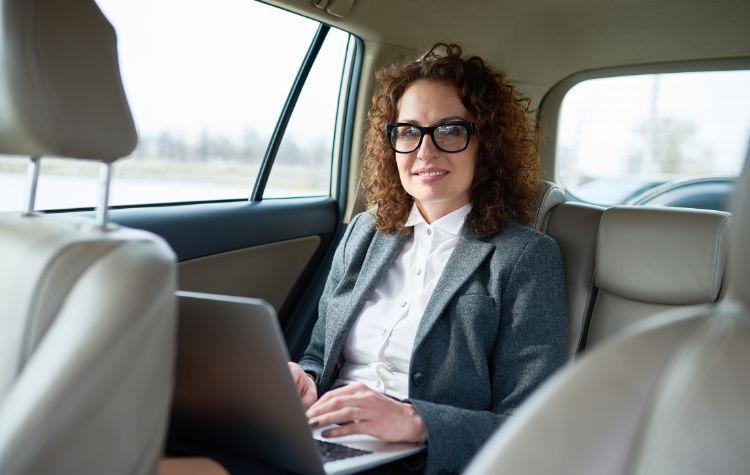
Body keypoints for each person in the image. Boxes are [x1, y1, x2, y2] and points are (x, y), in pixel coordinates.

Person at [286, 43, 567, 475]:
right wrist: (303, 382)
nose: (424, 151)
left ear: (486, 144)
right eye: (408, 131)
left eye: (451, 130)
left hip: (424, 458)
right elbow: (320, 355)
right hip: (325, 433)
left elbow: (531, 424)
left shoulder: (525, 257)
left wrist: (415, 422)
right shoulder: (364, 232)